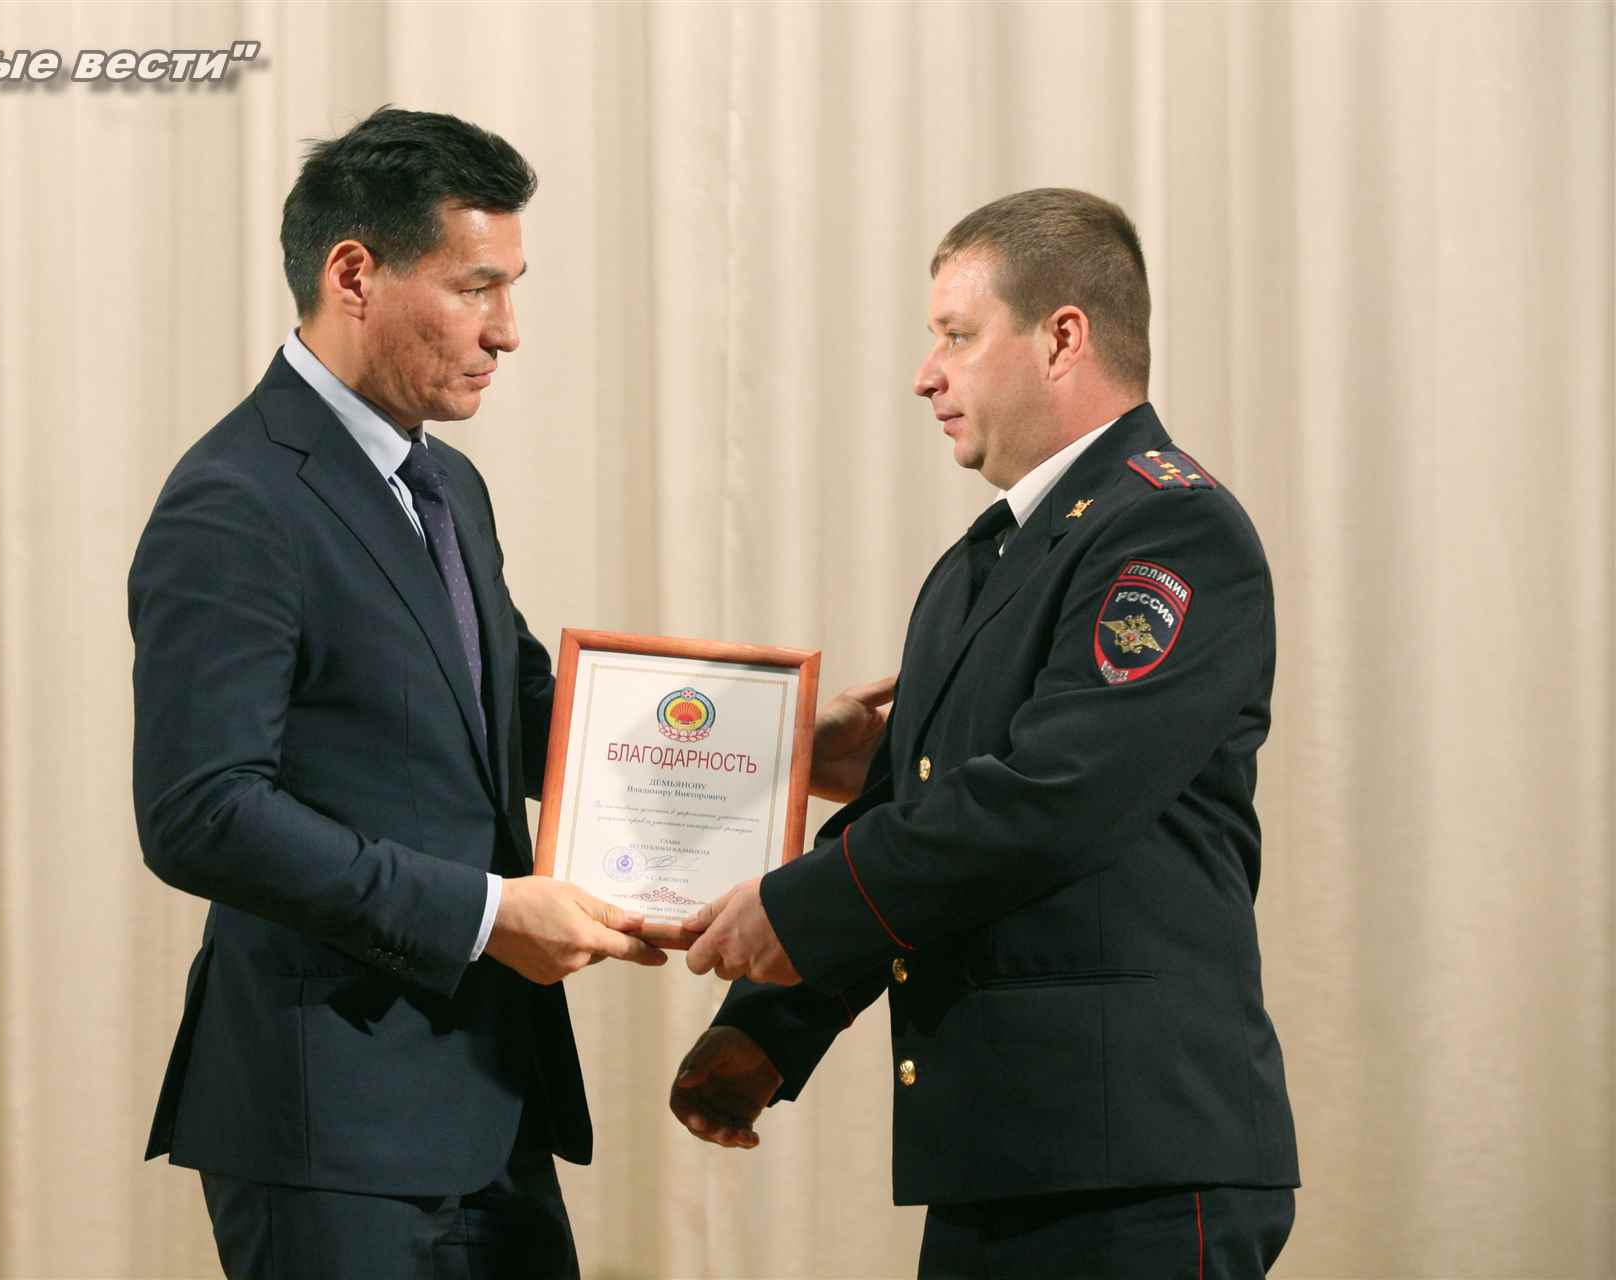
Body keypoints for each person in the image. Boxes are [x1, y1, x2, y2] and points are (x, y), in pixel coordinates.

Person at [670, 188, 1299, 1278]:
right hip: (1003, 1154)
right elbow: (920, 808)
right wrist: (766, 1027)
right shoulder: (980, 563)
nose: (927, 374)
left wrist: (795, 910)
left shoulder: (1169, 526)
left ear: (1062, 338)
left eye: (957, 335)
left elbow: (1051, 796)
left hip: (1134, 1164)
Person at [129, 106, 665, 1279]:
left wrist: (773, 748)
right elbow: (200, 811)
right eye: (477, 287)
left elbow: (514, 714)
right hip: (329, 1124)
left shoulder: (448, 486)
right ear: (353, 274)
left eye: (512, 288)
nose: (507, 330)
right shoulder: (234, 500)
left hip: (490, 1103)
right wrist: (485, 914)